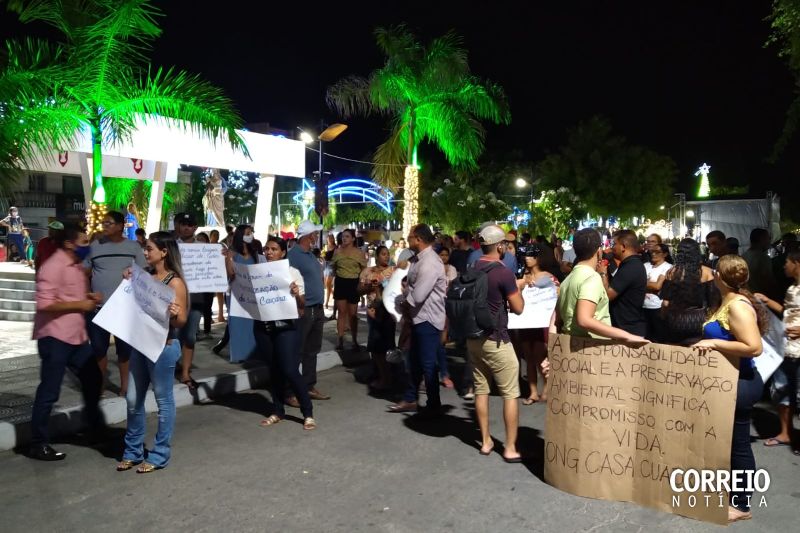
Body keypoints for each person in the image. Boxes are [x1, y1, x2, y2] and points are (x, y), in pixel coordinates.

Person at [693, 255, 767, 522]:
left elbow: (754, 347)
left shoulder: (737, 307)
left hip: (741, 382)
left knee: (738, 445)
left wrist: (714, 343)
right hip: (727, 380)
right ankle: (733, 494)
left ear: (719, 277)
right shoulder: (728, 300)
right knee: (730, 443)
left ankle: (742, 504)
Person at [29, 223, 104, 461]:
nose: (87, 246)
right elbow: (44, 304)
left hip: (77, 337)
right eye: (84, 242)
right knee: (50, 391)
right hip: (55, 337)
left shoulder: (76, 265)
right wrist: (81, 304)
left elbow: (70, 295)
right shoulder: (53, 266)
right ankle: (38, 443)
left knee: (93, 380)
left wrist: (88, 297)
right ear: (70, 243)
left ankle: (94, 428)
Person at [117, 231, 188, 473]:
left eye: (149, 248)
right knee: (132, 399)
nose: (145, 252)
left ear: (164, 252)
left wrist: (175, 313)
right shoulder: (143, 276)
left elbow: (181, 322)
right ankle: (133, 451)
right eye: (145, 248)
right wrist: (127, 278)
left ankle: (159, 454)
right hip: (140, 345)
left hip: (163, 347)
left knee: (163, 401)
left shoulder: (175, 282)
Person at [458, 224, 525, 461]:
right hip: (496, 340)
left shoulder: (472, 267)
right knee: (510, 393)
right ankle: (510, 447)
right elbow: (518, 308)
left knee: (481, 390)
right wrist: (518, 288)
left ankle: (486, 441)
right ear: (500, 246)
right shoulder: (503, 272)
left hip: (473, 338)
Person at [255, 236, 316, 430]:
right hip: (264, 327)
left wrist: (296, 294)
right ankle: (277, 410)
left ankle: (307, 412)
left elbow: (302, 304)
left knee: (289, 369)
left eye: (274, 249)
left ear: (283, 252)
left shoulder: (292, 272)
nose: (269, 252)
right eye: (267, 249)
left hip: (286, 326)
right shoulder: (257, 272)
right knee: (274, 369)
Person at [85, 210, 147, 397]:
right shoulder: (94, 246)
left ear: (120, 226)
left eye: (109, 223)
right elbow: (84, 272)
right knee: (98, 350)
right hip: (99, 308)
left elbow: (144, 272)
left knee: (125, 351)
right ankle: (100, 384)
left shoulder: (133, 247)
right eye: (103, 223)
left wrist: (133, 272)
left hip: (125, 309)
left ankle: (125, 386)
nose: (104, 226)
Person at [389, 224, 448, 415]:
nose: (407, 239)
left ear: (419, 239)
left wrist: (403, 303)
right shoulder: (418, 259)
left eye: (410, 236)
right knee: (414, 361)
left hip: (428, 319)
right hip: (418, 318)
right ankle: (410, 399)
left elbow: (419, 295)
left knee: (428, 364)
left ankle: (434, 405)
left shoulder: (429, 262)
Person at [555, 228, 647, 343]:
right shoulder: (591, 278)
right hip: (592, 346)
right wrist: (626, 336)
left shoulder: (567, 279)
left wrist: (553, 344)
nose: (611, 248)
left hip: (574, 344)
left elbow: (555, 319)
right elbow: (584, 320)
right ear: (599, 251)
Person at [754, 247, 800, 453]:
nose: (784, 266)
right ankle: (785, 433)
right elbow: (787, 312)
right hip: (785, 349)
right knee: (781, 391)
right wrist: (767, 301)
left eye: (787, 262)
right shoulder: (792, 288)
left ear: (797, 264)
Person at [287, 220, 330, 403]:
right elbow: (290, 282)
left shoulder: (310, 254)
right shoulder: (293, 255)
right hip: (304, 309)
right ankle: (289, 392)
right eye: (315, 234)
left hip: (317, 309)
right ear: (309, 236)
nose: (317, 237)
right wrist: (299, 305)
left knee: (312, 350)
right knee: (297, 351)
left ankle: (308, 386)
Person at [511, 243, 560, 404]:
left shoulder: (550, 278)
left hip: (542, 323)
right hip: (525, 322)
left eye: (531, 255)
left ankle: (546, 389)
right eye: (526, 255)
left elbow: (556, 297)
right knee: (528, 357)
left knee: (540, 356)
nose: (527, 258)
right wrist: (521, 285)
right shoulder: (522, 277)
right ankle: (533, 392)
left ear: (539, 257)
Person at [660, 239, 718, 346]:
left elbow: (665, 303)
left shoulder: (672, 272)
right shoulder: (707, 272)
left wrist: (663, 318)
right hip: (699, 320)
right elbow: (714, 303)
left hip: (675, 320)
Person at [213, 224, 258, 356]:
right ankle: (239, 354)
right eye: (248, 233)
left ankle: (251, 352)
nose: (251, 235)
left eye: (251, 233)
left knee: (250, 323)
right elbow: (230, 273)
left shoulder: (254, 253)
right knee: (237, 323)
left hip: (250, 294)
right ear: (240, 235)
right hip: (236, 294)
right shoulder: (231, 254)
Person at [359, 245, 396, 390]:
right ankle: (381, 375)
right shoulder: (368, 272)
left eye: (387, 254)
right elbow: (359, 290)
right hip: (373, 311)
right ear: (376, 256)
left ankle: (388, 377)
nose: (386, 256)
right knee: (375, 346)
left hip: (389, 311)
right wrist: (370, 286)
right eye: (383, 254)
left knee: (388, 345)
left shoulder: (393, 271)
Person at [598, 229, 647, 337]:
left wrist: (602, 272)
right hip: (625, 329)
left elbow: (608, 295)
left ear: (623, 246)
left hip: (628, 331)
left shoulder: (631, 266)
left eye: (614, 244)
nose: (611, 248)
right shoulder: (630, 264)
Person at [173, 212, 203, 390]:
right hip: (175, 297)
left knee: (190, 337)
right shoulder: (171, 247)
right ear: (178, 226)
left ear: (195, 227)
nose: (186, 228)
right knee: (175, 336)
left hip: (196, 299)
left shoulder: (204, 248)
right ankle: (173, 367)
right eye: (183, 224)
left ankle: (185, 372)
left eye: (189, 225)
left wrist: (221, 256)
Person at [330, 228, 367, 350]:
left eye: (347, 236)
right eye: (343, 236)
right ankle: (340, 339)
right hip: (341, 282)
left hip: (353, 283)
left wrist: (361, 283)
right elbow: (333, 267)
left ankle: (354, 340)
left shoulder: (359, 253)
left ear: (353, 239)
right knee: (341, 312)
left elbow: (364, 269)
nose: (344, 238)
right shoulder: (337, 251)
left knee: (353, 314)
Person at [436, 246, 457, 389]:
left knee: (442, 341)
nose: (443, 257)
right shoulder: (433, 268)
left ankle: (444, 373)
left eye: (446, 255)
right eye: (441, 255)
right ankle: (441, 373)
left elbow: (453, 286)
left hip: (445, 306)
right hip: (433, 306)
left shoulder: (452, 269)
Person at [643, 243, 673, 343]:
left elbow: (657, 286)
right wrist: (650, 284)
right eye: (652, 252)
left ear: (665, 254)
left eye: (657, 252)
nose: (653, 254)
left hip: (658, 307)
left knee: (658, 338)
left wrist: (643, 283)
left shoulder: (668, 267)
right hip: (643, 306)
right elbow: (636, 283)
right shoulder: (645, 265)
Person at [743, 228, 777, 299]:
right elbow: (769, 282)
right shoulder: (763, 258)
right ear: (762, 239)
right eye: (768, 238)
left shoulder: (743, 256)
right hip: (761, 298)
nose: (769, 241)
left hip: (747, 297)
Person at [209, 229, 226, 324]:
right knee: (209, 296)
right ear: (211, 236)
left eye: (218, 234)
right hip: (209, 273)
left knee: (220, 294)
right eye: (215, 234)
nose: (217, 236)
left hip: (219, 272)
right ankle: (209, 317)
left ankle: (221, 315)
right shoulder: (206, 246)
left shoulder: (222, 246)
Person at [323, 233, 337, 310]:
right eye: (329, 238)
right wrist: (322, 257)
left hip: (332, 266)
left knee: (328, 284)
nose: (330, 239)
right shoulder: (325, 247)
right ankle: (335, 295)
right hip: (326, 266)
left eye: (331, 238)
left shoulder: (336, 247)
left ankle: (326, 302)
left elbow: (336, 258)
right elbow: (323, 257)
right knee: (326, 285)